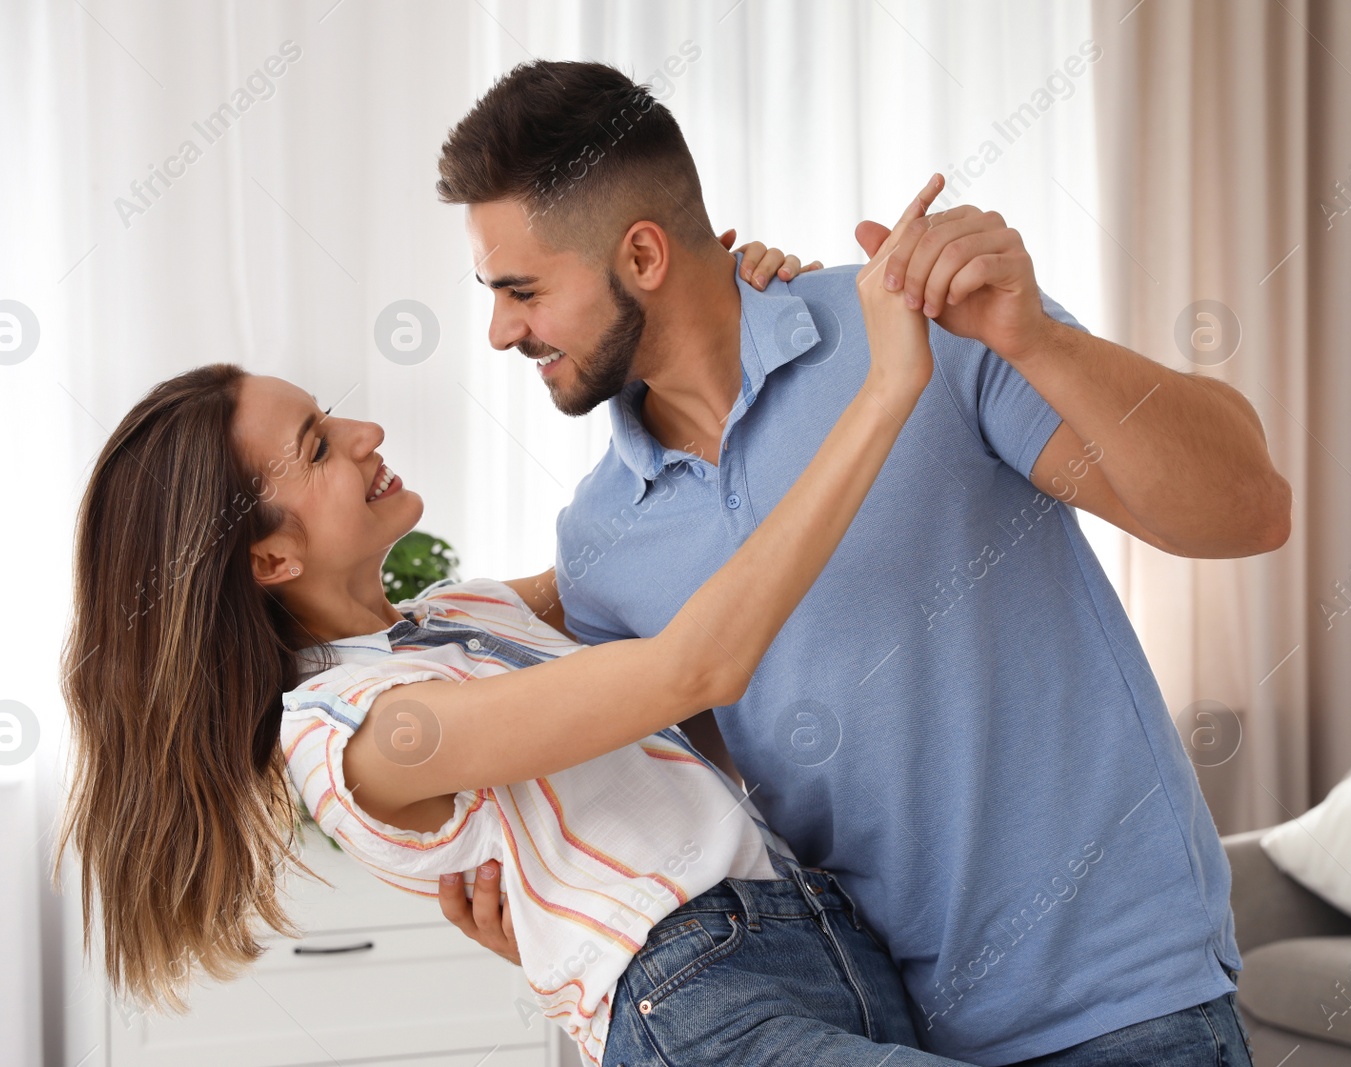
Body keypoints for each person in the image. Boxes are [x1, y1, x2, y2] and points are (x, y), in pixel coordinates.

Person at [434, 60, 1290, 1066]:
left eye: (521, 290)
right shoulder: (601, 542)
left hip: (1122, 1005)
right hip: (870, 1027)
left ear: (642, 254)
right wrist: (566, 916)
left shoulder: (923, 328)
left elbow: (1245, 511)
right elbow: (714, 832)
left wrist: (1033, 338)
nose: (500, 329)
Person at [56, 204, 983, 1065]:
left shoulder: (460, 617)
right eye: (316, 445)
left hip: (822, 943)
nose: (367, 431)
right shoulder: (358, 734)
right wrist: (887, 384)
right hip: (709, 1001)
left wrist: (719, 332)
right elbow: (694, 662)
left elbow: (661, 539)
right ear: (268, 560)